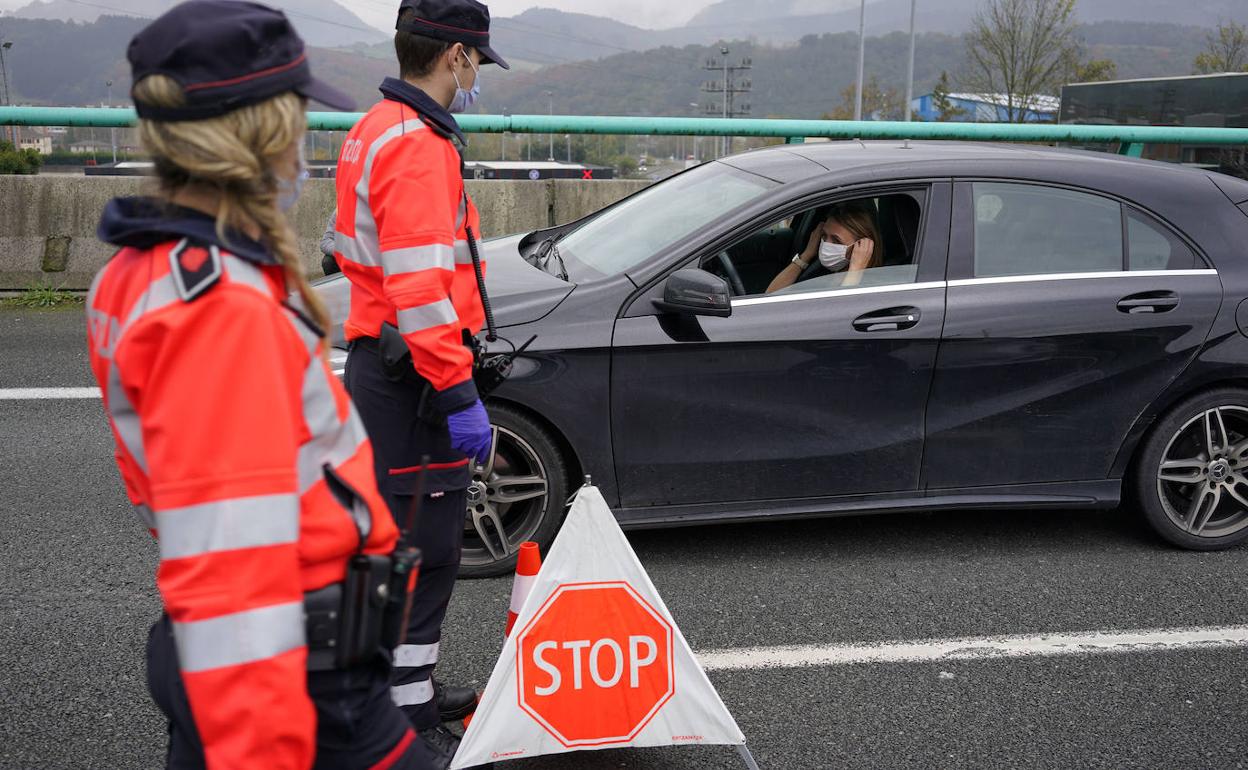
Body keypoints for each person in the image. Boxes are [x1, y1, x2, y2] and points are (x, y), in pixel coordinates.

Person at [85, 3, 428, 768]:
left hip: (257, 659)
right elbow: (236, 576)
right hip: (300, 677)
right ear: (265, 134)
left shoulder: (135, 272)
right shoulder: (221, 311)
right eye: (298, 118)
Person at [332, 0, 508, 765]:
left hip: (388, 365)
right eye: (477, 62)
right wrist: (458, 390)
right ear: (457, 57)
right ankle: (403, 727)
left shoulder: (376, 125)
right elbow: (422, 290)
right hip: (412, 375)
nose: (476, 77)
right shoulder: (415, 143)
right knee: (421, 551)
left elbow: (357, 256)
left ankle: (412, 694)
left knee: (406, 545)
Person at [766, 199, 882, 293]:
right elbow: (771, 295)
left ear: (862, 247)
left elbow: (838, 314)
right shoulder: (821, 270)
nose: (826, 244)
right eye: (824, 236)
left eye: (837, 241)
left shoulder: (870, 288)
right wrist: (807, 255)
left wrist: (855, 270)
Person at [321, 208, 340, 276]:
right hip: (347, 255)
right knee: (328, 262)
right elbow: (325, 241)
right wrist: (341, 251)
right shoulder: (340, 210)